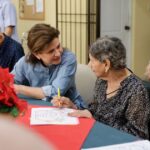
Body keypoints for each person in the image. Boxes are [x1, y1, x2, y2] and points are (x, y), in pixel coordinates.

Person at [52, 37, 150, 139]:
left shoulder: (137, 91)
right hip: (96, 135)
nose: (89, 65)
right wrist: (73, 106)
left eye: (92, 61)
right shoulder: (102, 80)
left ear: (106, 64)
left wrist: (95, 121)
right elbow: (96, 109)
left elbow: (137, 134)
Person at [11, 23, 85, 109]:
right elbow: (9, 84)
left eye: (58, 46)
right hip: (38, 109)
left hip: (70, 108)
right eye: (51, 51)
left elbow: (55, 92)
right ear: (37, 54)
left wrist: (19, 89)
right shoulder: (24, 62)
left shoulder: (68, 59)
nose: (58, 53)